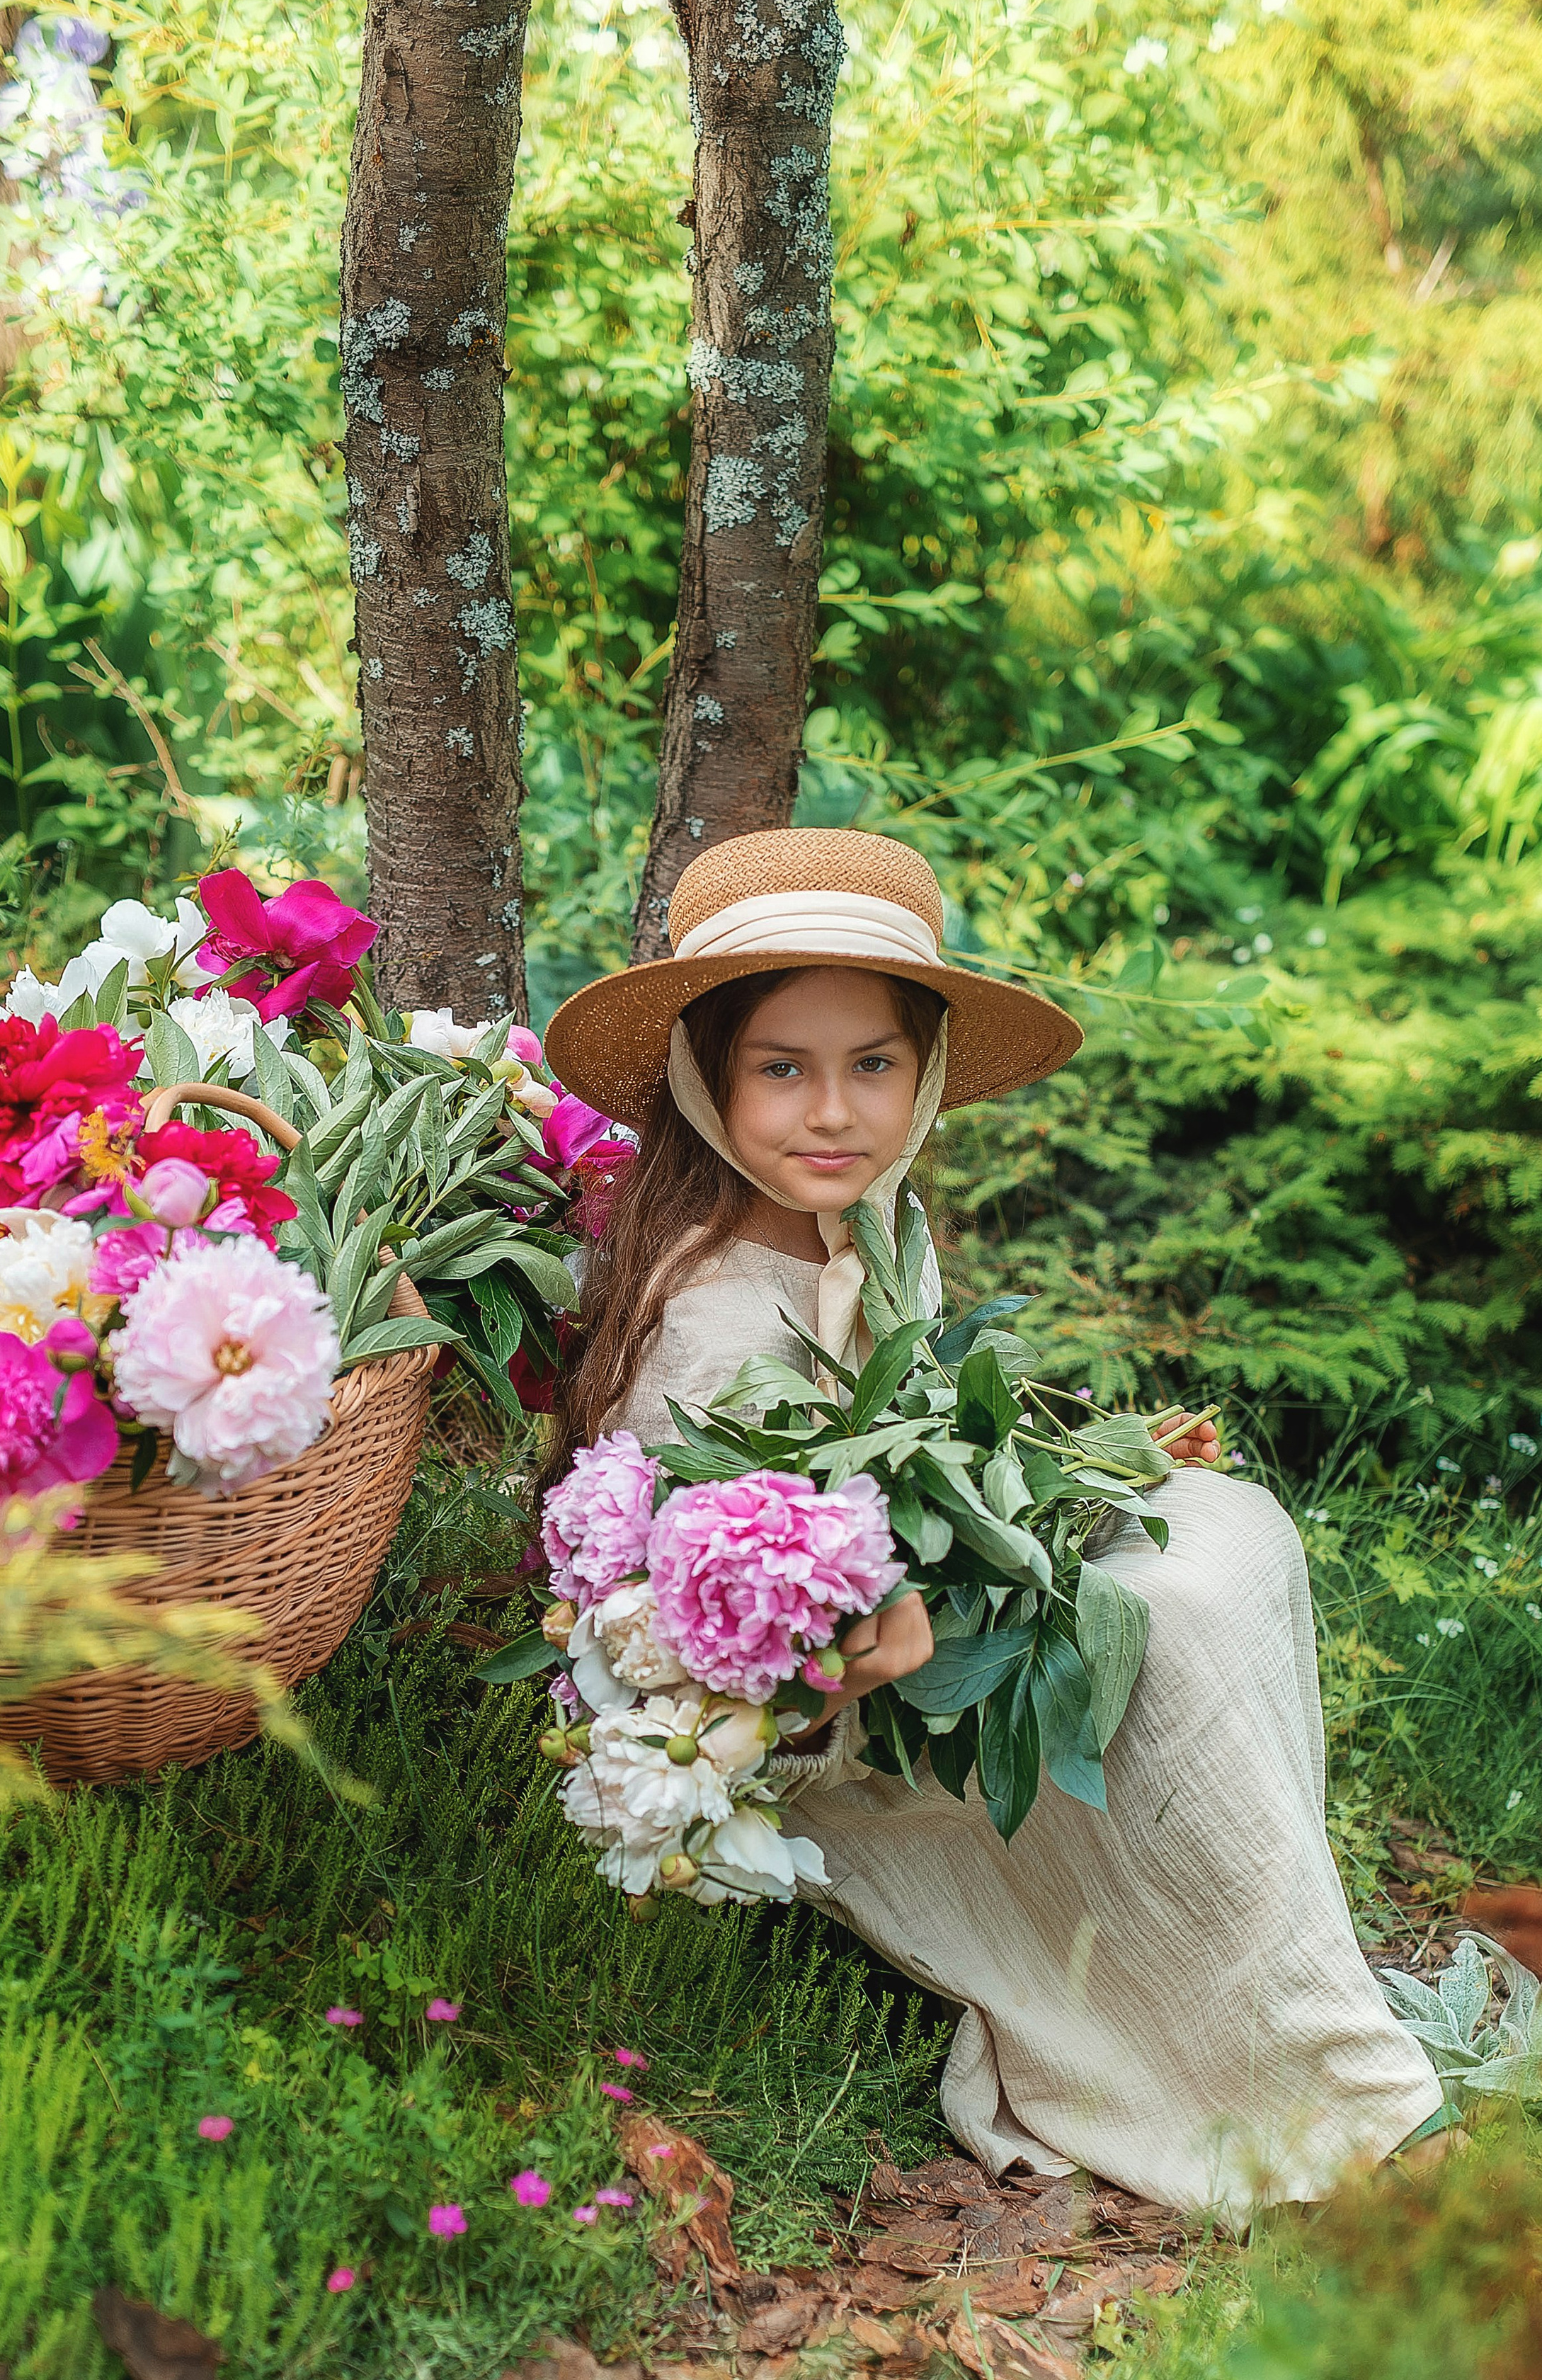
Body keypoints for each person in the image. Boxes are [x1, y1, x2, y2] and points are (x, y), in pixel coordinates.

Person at [541, 826, 1443, 2220]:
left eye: (873, 1065)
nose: (830, 1112)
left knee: (1226, 1525)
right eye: (781, 1067)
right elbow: (700, 1621)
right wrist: (860, 1627)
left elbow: (925, 1433)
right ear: (704, 1075)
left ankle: (1262, 1953)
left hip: (938, 1604)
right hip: (848, 1724)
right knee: (1173, 1621)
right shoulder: (705, 1320)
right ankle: (1327, 2095)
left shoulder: (868, 1230)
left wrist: (1056, 1467)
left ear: (928, 1072)